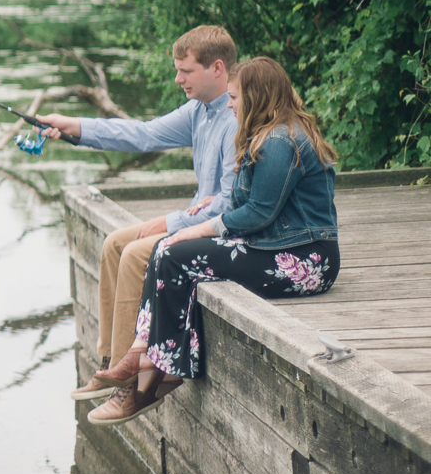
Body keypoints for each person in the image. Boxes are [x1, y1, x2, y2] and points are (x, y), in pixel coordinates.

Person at [88, 57, 340, 425]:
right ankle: (146, 352)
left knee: (176, 253)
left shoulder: (281, 141)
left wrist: (199, 228)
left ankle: (156, 370)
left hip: (305, 261)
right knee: (166, 249)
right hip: (275, 246)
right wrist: (213, 206)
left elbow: (257, 214)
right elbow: (242, 202)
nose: (230, 104)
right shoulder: (263, 136)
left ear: (256, 98)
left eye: (235, 97)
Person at [36, 26, 239, 402]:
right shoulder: (199, 111)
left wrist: (171, 222)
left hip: (215, 228)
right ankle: (112, 361)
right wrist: (74, 128)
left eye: (186, 71)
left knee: (134, 255)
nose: (178, 79)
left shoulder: (237, 116)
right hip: (194, 218)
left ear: (217, 68)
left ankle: (135, 379)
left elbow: (230, 203)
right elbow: (143, 135)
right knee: (114, 243)